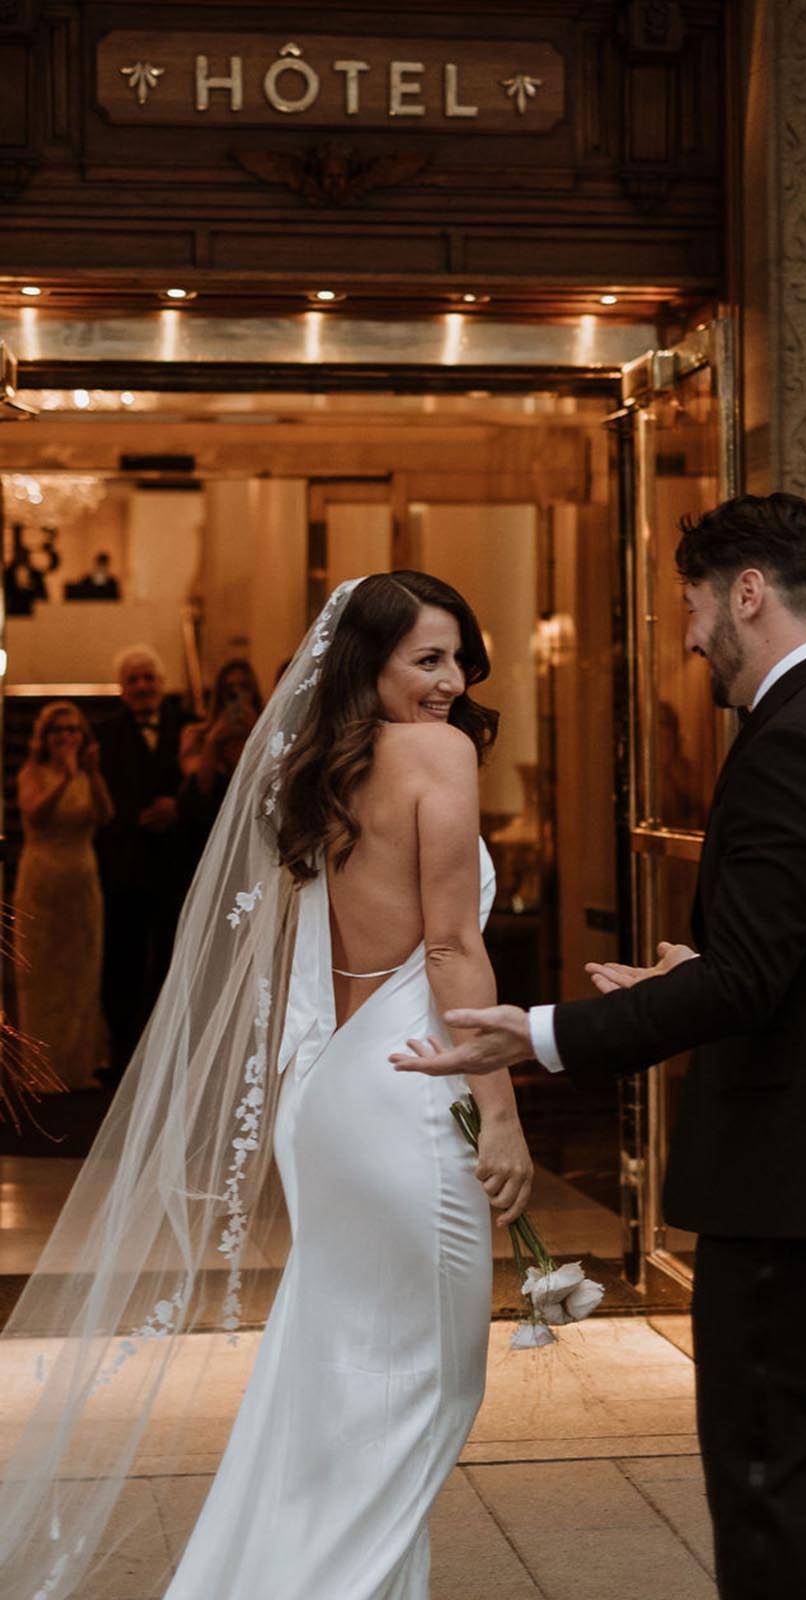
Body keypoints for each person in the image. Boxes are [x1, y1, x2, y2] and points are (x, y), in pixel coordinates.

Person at [393, 493, 806, 1600]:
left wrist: (537, 1032)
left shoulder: (797, 741)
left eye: (690, 602)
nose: (686, 633)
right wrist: (688, 977)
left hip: (798, 1181)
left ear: (747, 591)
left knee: (770, 1473)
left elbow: (753, 978)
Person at [0, 574, 532, 1600]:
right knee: (429, 1389)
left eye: (460, 657)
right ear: (366, 664)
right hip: (413, 1090)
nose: (450, 680)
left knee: (333, 1384)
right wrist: (499, 1115)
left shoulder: (318, 769)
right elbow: (455, 945)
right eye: (425, 658)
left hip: (331, 1093)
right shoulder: (440, 752)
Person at [94, 645, 189, 1079]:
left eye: (149, 677)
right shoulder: (105, 733)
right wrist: (136, 817)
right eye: (134, 679)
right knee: (123, 960)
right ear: (122, 689)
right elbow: (101, 791)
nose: (143, 686)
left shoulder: (185, 726)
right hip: (126, 865)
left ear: (162, 683)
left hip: (176, 865)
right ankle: (122, 1053)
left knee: (173, 956)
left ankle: (169, 1054)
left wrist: (177, 808)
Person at [13, 701, 113, 1091]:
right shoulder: (32, 773)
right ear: (45, 736)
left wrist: (92, 774)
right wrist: (63, 778)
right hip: (42, 880)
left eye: (73, 730)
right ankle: (42, 1069)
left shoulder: (87, 774)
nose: (66, 737)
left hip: (82, 879)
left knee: (81, 971)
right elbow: (34, 814)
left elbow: (105, 815)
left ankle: (77, 1065)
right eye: (58, 730)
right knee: (41, 974)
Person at [177, 657, 263, 850]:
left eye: (244, 687)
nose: (236, 693)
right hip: (208, 833)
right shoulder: (196, 734)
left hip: (252, 830)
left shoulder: (266, 734)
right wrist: (213, 740)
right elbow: (201, 789)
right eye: (229, 688)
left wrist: (255, 733)